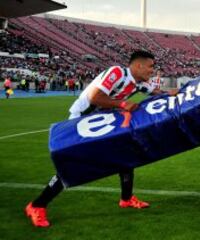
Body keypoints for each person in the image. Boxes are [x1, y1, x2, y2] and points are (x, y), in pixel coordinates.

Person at [25, 50, 177, 228]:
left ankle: (126, 199)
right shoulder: (118, 73)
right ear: (138, 65)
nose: (152, 70)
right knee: (73, 164)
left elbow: (158, 93)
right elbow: (94, 97)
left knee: (126, 155)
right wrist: (122, 104)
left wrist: (173, 94)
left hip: (103, 122)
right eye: (150, 67)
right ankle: (37, 205)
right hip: (81, 120)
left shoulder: (139, 83)